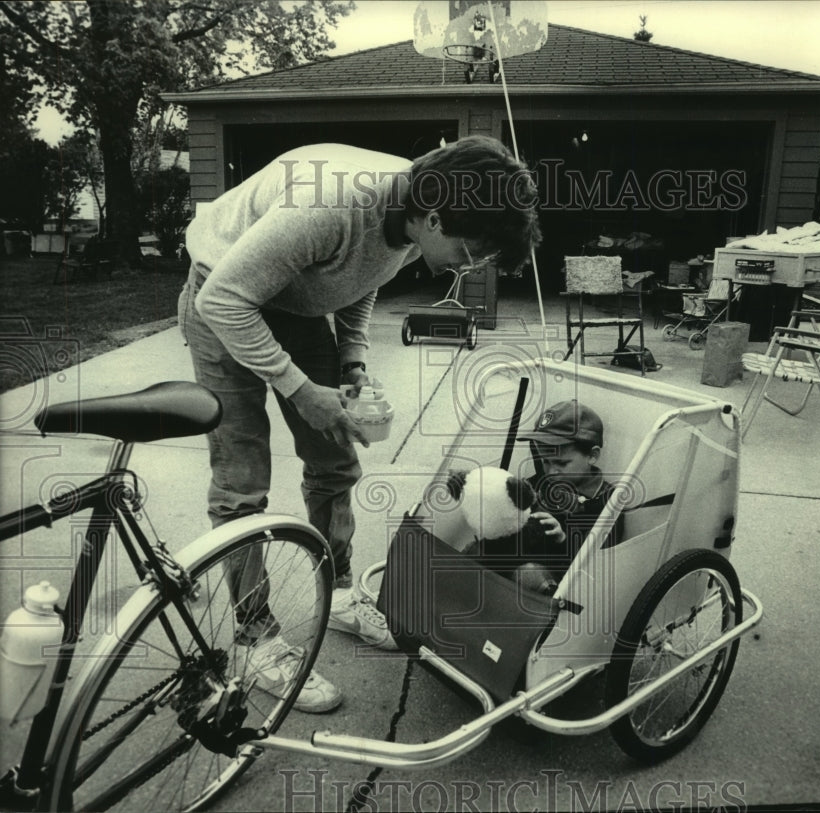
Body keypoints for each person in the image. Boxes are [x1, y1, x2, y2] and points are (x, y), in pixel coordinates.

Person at [179, 136, 541, 712]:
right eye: (471, 250)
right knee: (242, 479)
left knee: (335, 458)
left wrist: (350, 360)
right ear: (430, 216)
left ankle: (340, 593)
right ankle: (253, 636)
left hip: (295, 304)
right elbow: (223, 301)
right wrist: (299, 389)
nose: (471, 266)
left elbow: (361, 279)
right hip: (222, 293)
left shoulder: (421, 207)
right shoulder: (327, 206)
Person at [512, 400, 623, 595]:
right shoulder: (540, 481)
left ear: (592, 455)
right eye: (545, 461)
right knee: (476, 550)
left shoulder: (606, 500)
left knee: (529, 574)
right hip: (521, 561)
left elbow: (601, 561)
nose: (551, 471)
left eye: (561, 463)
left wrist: (563, 537)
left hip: (569, 584)